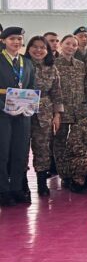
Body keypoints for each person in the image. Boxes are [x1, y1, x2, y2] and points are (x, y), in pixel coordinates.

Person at [0, 27, 36, 206]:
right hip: (2, 115)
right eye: (12, 38)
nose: (16, 42)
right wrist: (4, 106)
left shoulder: (27, 62)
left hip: (22, 114)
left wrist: (31, 107)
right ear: (3, 41)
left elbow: (31, 86)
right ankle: (3, 191)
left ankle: (16, 188)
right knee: (2, 153)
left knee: (20, 153)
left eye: (19, 39)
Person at [25, 36, 63, 196]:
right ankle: (22, 184)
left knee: (43, 149)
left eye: (43, 47)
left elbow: (57, 93)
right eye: (35, 46)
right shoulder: (21, 65)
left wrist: (57, 114)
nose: (38, 50)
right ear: (28, 48)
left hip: (44, 114)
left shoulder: (51, 68)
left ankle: (42, 183)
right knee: (21, 149)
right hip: (22, 112)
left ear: (47, 51)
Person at [53, 34, 87, 187]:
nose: (71, 47)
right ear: (61, 44)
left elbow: (85, 87)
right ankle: (64, 174)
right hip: (61, 111)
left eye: (74, 45)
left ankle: (77, 173)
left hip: (79, 111)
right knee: (60, 143)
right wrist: (55, 112)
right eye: (68, 43)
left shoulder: (80, 65)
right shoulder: (53, 63)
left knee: (78, 143)